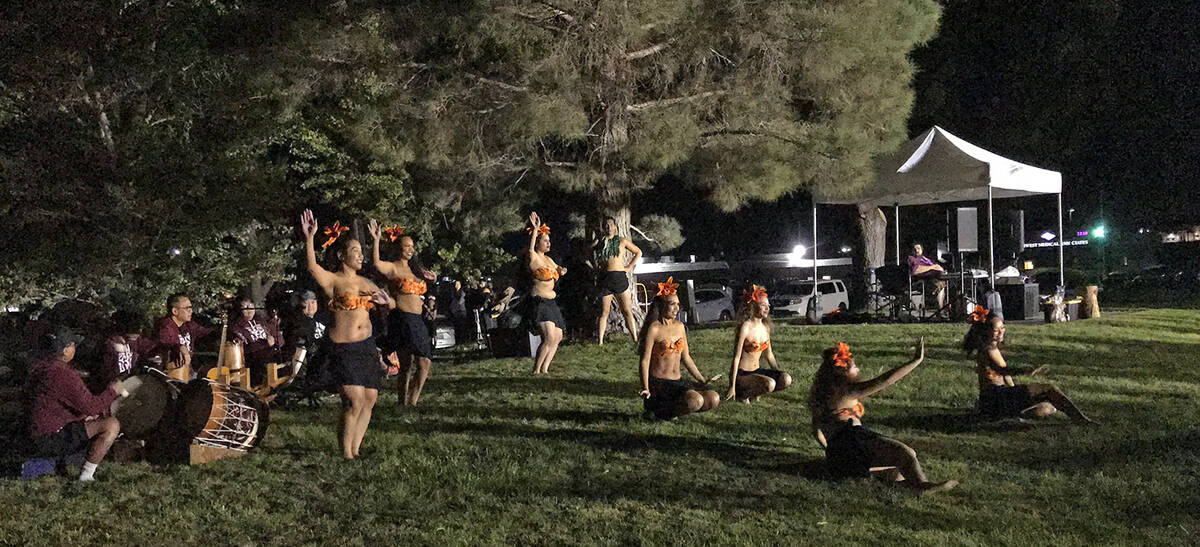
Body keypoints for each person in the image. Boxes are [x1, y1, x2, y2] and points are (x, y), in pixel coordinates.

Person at [808, 339, 959, 494]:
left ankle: (907, 487)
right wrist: (916, 361)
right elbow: (886, 380)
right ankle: (922, 486)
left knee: (897, 472)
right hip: (852, 440)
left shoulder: (823, 395)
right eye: (854, 367)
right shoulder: (848, 390)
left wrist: (831, 451)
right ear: (843, 372)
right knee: (906, 453)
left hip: (839, 454)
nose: (858, 369)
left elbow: (816, 430)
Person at [301, 210, 394, 459]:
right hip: (344, 347)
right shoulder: (333, 281)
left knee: (370, 399)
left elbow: (390, 303)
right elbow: (312, 266)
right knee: (354, 399)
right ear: (342, 255)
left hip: (366, 347)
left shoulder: (366, 283)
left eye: (361, 251)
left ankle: (356, 448)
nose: (360, 255)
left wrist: (387, 303)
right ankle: (346, 454)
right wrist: (310, 237)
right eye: (355, 250)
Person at [25, 329, 127, 481]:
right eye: (73, 345)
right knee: (111, 424)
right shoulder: (63, 374)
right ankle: (86, 475)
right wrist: (113, 391)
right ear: (65, 350)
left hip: (31, 431)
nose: (75, 348)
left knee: (90, 417)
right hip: (49, 437)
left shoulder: (39, 368)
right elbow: (92, 406)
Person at [963, 306, 1091, 422]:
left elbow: (1005, 377)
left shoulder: (992, 348)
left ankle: (1013, 417)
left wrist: (1015, 389)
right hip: (996, 398)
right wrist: (1025, 371)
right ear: (986, 332)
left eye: (1003, 327)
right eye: (997, 330)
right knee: (1049, 389)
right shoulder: (988, 350)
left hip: (1000, 397)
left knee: (1049, 407)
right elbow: (1004, 371)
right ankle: (1081, 420)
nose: (1002, 331)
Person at [368, 219, 436, 406]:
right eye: (406, 246)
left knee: (417, 363)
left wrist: (433, 278)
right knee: (414, 362)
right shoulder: (393, 267)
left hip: (418, 318)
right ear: (399, 248)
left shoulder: (415, 269)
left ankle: (408, 402)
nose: (410, 249)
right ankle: (406, 403)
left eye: (412, 246)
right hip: (403, 317)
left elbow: (427, 286)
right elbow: (376, 263)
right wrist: (376, 240)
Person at [636, 278, 721, 420]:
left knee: (713, 398)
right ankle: (660, 412)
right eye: (672, 304)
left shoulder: (680, 326)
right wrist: (645, 387)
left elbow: (686, 357)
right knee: (696, 400)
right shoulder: (654, 328)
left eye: (678, 304)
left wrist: (702, 380)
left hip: (678, 381)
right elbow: (644, 361)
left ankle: (673, 410)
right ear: (661, 305)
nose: (676, 308)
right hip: (661, 384)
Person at [725, 285, 791, 403]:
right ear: (753, 306)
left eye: (768, 305)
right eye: (763, 305)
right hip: (744, 374)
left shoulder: (765, 327)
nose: (767, 308)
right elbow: (736, 358)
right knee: (770, 384)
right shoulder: (746, 327)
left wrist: (777, 373)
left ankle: (757, 390)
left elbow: (769, 355)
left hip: (757, 371)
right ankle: (743, 394)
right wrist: (732, 386)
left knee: (786, 379)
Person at [525, 212, 566, 375]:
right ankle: (536, 370)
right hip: (540, 302)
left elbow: (558, 270)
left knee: (558, 336)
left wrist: (562, 271)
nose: (548, 244)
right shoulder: (534, 258)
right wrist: (535, 230)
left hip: (552, 303)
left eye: (549, 241)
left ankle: (545, 369)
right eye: (545, 241)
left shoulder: (550, 260)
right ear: (538, 243)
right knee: (548, 337)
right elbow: (530, 247)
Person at [593, 217, 642, 344]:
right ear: (603, 228)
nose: (609, 228)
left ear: (615, 227)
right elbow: (586, 252)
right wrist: (593, 267)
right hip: (605, 278)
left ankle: (635, 338)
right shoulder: (599, 242)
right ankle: (600, 342)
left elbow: (638, 252)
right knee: (604, 312)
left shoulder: (622, 241)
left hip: (619, 277)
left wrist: (630, 266)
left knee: (627, 310)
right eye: (606, 225)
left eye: (610, 225)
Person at [152, 293, 214, 377]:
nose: (191, 311)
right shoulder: (165, 326)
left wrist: (225, 330)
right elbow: (167, 343)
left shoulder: (188, 325)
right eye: (187, 308)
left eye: (190, 308)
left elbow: (207, 334)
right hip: (168, 373)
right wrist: (181, 347)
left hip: (186, 371)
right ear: (175, 311)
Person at [97, 309, 159, 388]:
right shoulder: (110, 344)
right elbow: (104, 374)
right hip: (112, 388)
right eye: (136, 327)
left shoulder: (133, 342)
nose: (139, 331)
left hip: (126, 385)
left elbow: (150, 347)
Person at [231, 297, 284, 385]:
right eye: (245, 307)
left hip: (272, 353)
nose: (249, 310)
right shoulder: (236, 327)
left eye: (251, 306)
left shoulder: (261, 321)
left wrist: (275, 334)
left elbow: (278, 339)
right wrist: (265, 343)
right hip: (254, 360)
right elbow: (244, 349)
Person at [907, 243, 947, 309]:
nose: (916, 250)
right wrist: (932, 267)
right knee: (940, 284)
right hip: (921, 282)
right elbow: (915, 271)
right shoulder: (912, 258)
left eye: (918, 248)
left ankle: (946, 308)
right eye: (915, 249)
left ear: (922, 250)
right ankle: (939, 308)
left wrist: (939, 269)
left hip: (934, 279)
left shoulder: (926, 259)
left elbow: (935, 266)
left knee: (947, 284)